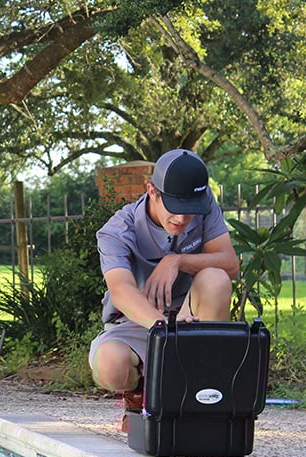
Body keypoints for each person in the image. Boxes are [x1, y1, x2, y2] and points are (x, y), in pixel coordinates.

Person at [88, 149, 239, 431]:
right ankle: (138, 399)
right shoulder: (117, 230)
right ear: (151, 192)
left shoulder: (204, 205)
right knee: (111, 364)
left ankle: (199, 397)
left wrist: (177, 260)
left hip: (191, 317)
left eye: (190, 208)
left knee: (216, 279)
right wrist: (164, 326)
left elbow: (229, 264)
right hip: (136, 322)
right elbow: (121, 290)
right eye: (174, 205)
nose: (183, 218)